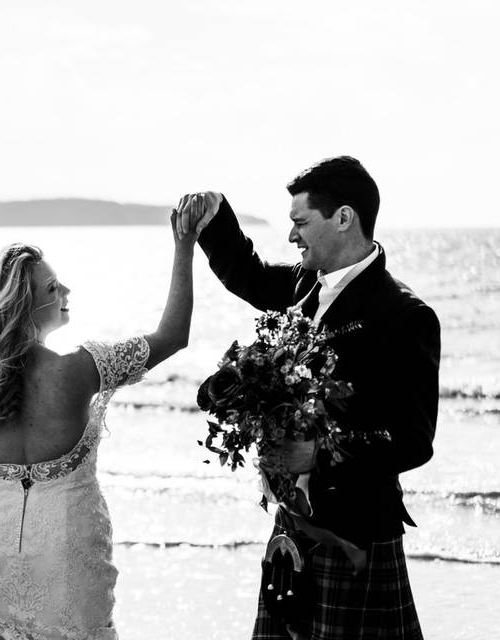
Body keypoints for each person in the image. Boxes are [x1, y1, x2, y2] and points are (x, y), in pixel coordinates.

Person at [176, 156, 440, 640]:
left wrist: (318, 454)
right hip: (292, 528)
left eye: (301, 223)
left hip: (357, 535)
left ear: (343, 218)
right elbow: (249, 275)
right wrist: (215, 219)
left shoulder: (403, 315)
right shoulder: (305, 285)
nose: (293, 237)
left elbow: (413, 440)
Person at [0, 213, 198, 639]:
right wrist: (184, 245)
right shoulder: (81, 370)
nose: (66, 291)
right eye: (52, 288)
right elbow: (173, 335)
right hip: (68, 568)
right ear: (23, 307)